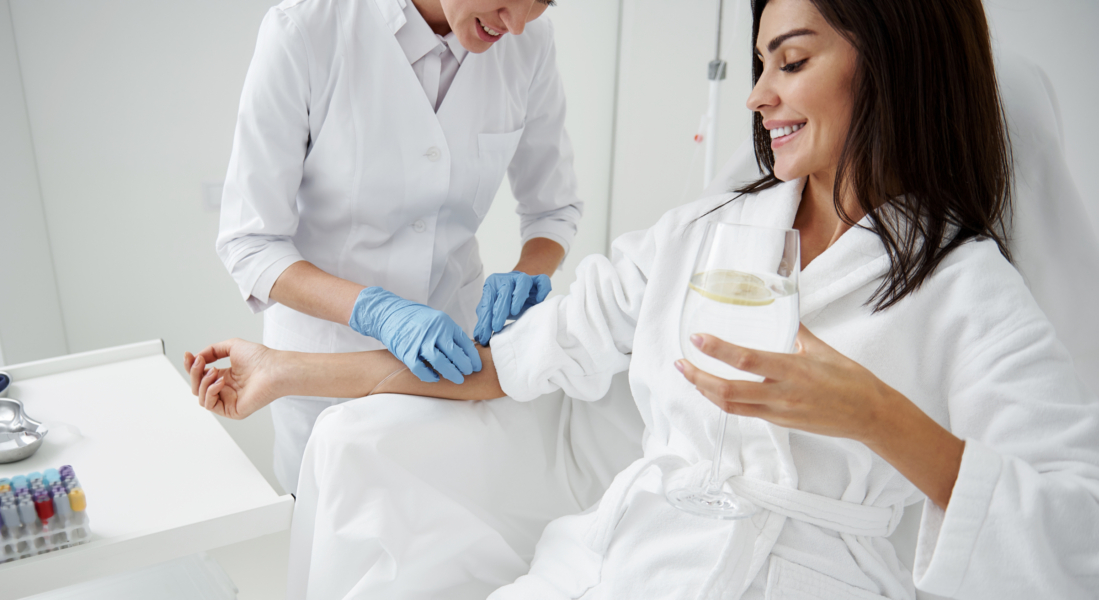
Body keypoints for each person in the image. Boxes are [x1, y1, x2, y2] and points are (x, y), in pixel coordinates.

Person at [189, 0, 1099, 597]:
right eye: (760, 63)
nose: (758, 96)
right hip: (617, 559)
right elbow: (504, 365)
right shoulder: (704, 234)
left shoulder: (967, 288)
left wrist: (875, 415)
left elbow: (1077, 535)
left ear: (892, 62)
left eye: (789, 62)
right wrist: (284, 367)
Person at [213, 0, 582, 494]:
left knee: (448, 516)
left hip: (452, 362)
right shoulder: (305, 30)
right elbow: (251, 242)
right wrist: (377, 311)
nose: (515, 25)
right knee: (332, 524)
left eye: (541, 3)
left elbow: (553, 209)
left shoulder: (528, 45)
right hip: (323, 366)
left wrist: (529, 271)